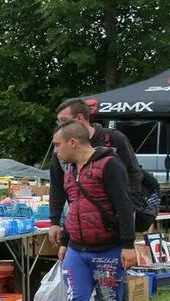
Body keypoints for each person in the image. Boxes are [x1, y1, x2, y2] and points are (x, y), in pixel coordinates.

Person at [45, 121, 137, 301]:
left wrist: (128, 245)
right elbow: (74, 208)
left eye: (58, 145)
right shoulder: (69, 170)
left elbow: (124, 205)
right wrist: (64, 241)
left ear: (73, 142)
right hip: (77, 249)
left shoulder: (110, 166)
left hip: (107, 249)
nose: (56, 151)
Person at [49, 98, 142, 248]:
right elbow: (56, 185)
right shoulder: (62, 148)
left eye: (64, 121)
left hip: (110, 229)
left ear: (79, 118)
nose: (61, 126)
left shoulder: (113, 139)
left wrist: (130, 214)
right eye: (59, 122)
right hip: (77, 229)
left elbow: (133, 175)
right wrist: (54, 221)